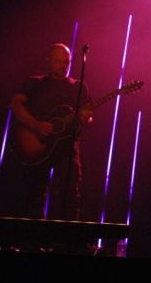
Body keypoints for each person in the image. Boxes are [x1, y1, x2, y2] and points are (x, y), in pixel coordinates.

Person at [8, 43, 92, 220]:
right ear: (48, 61)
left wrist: (86, 118)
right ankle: (31, 242)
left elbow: (87, 116)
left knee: (70, 194)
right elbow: (15, 104)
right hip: (36, 145)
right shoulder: (35, 82)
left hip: (66, 148)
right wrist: (36, 125)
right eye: (58, 61)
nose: (63, 65)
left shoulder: (78, 87)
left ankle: (66, 242)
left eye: (66, 62)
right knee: (33, 194)